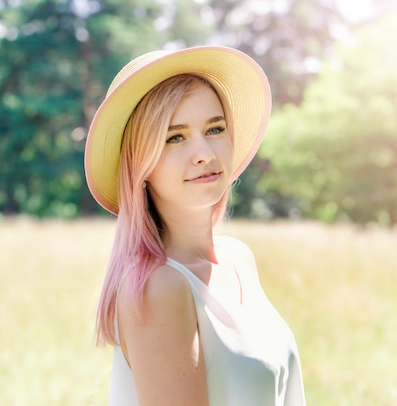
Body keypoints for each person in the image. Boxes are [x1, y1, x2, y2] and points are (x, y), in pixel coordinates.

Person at [84, 46, 306, 406]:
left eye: (215, 129)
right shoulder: (159, 287)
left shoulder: (239, 258)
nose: (204, 152)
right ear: (142, 166)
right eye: (175, 137)